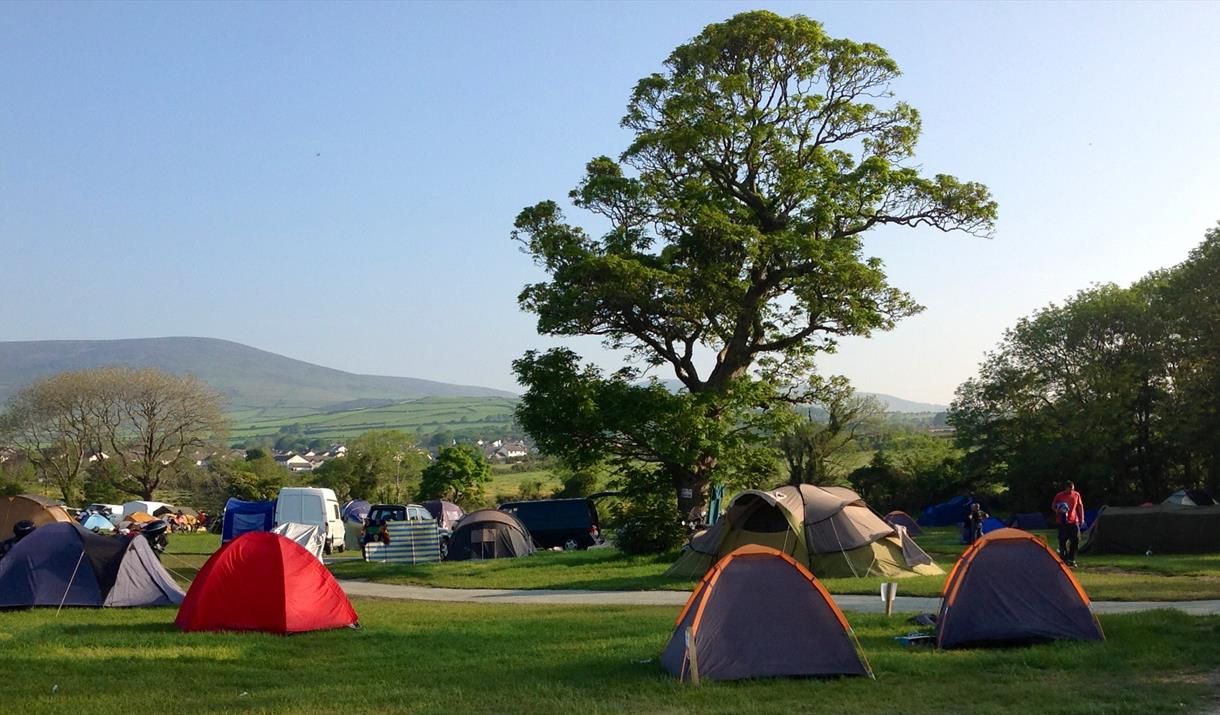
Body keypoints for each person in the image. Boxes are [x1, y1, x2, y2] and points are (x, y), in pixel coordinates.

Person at [1052, 480, 1085, 566]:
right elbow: (1053, 506)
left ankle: (1072, 559)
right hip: (1062, 521)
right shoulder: (1059, 495)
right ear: (1066, 488)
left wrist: (1082, 518)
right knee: (1062, 541)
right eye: (1070, 489)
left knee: (1076, 540)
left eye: (1073, 489)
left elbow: (1080, 506)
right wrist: (1058, 510)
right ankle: (1064, 558)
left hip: (1074, 521)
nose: (1071, 491)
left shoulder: (1076, 495)